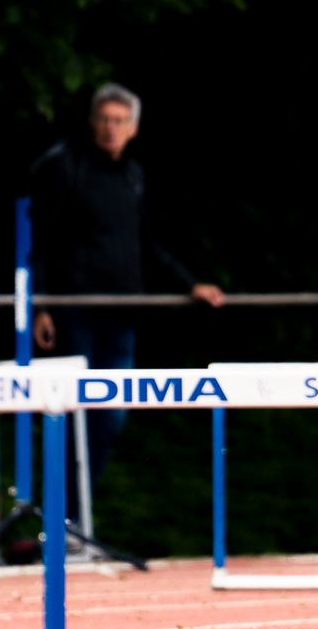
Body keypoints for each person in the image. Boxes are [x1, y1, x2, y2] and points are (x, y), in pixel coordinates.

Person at [29, 83, 225, 482]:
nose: (110, 128)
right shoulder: (65, 165)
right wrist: (41, 305)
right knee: (72, 417)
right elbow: (41, 240)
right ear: (91, 123)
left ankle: (77, 522)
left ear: (133, 128)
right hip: (75, 313)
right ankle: (60, 523)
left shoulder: (133, 175)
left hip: (121, 317)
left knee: (110, 419)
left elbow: (146, 244)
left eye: (119, 121)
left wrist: (190, 285)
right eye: (103, 119)